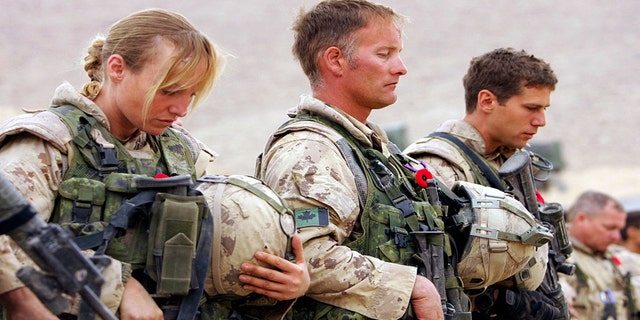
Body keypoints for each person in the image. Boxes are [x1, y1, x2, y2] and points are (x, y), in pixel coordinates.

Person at [0, 9, 308, 320]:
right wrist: (119, 287)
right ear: (117, 68)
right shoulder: (49, 143)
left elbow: (201, 267)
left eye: (192, 94)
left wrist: (281, 283)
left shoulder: (179, 151)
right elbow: (10, 251)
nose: (181, 109)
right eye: (169, 90)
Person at [257, 1, 462, 319]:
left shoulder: (372, 149)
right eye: (384, 54)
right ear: (335, 60)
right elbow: (304, 254)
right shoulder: (311, 150)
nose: (401, 67)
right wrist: (411, 287)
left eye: (398, 53)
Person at [404, 47, 566, 319]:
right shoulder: (439, 164)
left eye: (543, 109)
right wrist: (506, 302)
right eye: (531, 108)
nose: (541, 121)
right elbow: (430, 269)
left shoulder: (509, 163)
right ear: (487, 101)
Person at [559, 191, 634, 320]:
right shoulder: (556, 256)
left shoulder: (613, 256)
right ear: (582, 219)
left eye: (619, 229)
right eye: (610, 227)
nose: (617, 236)